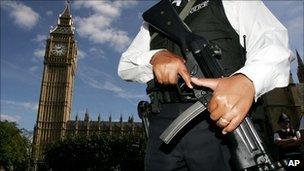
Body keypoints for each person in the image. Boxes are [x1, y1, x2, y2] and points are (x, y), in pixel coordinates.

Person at [118, 0, 291, 170]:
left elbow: (271, 39)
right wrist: (155, 56)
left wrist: (248, 79)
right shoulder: (153, 19)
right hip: (162, 127)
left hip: (222, 119)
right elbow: (125, 66)